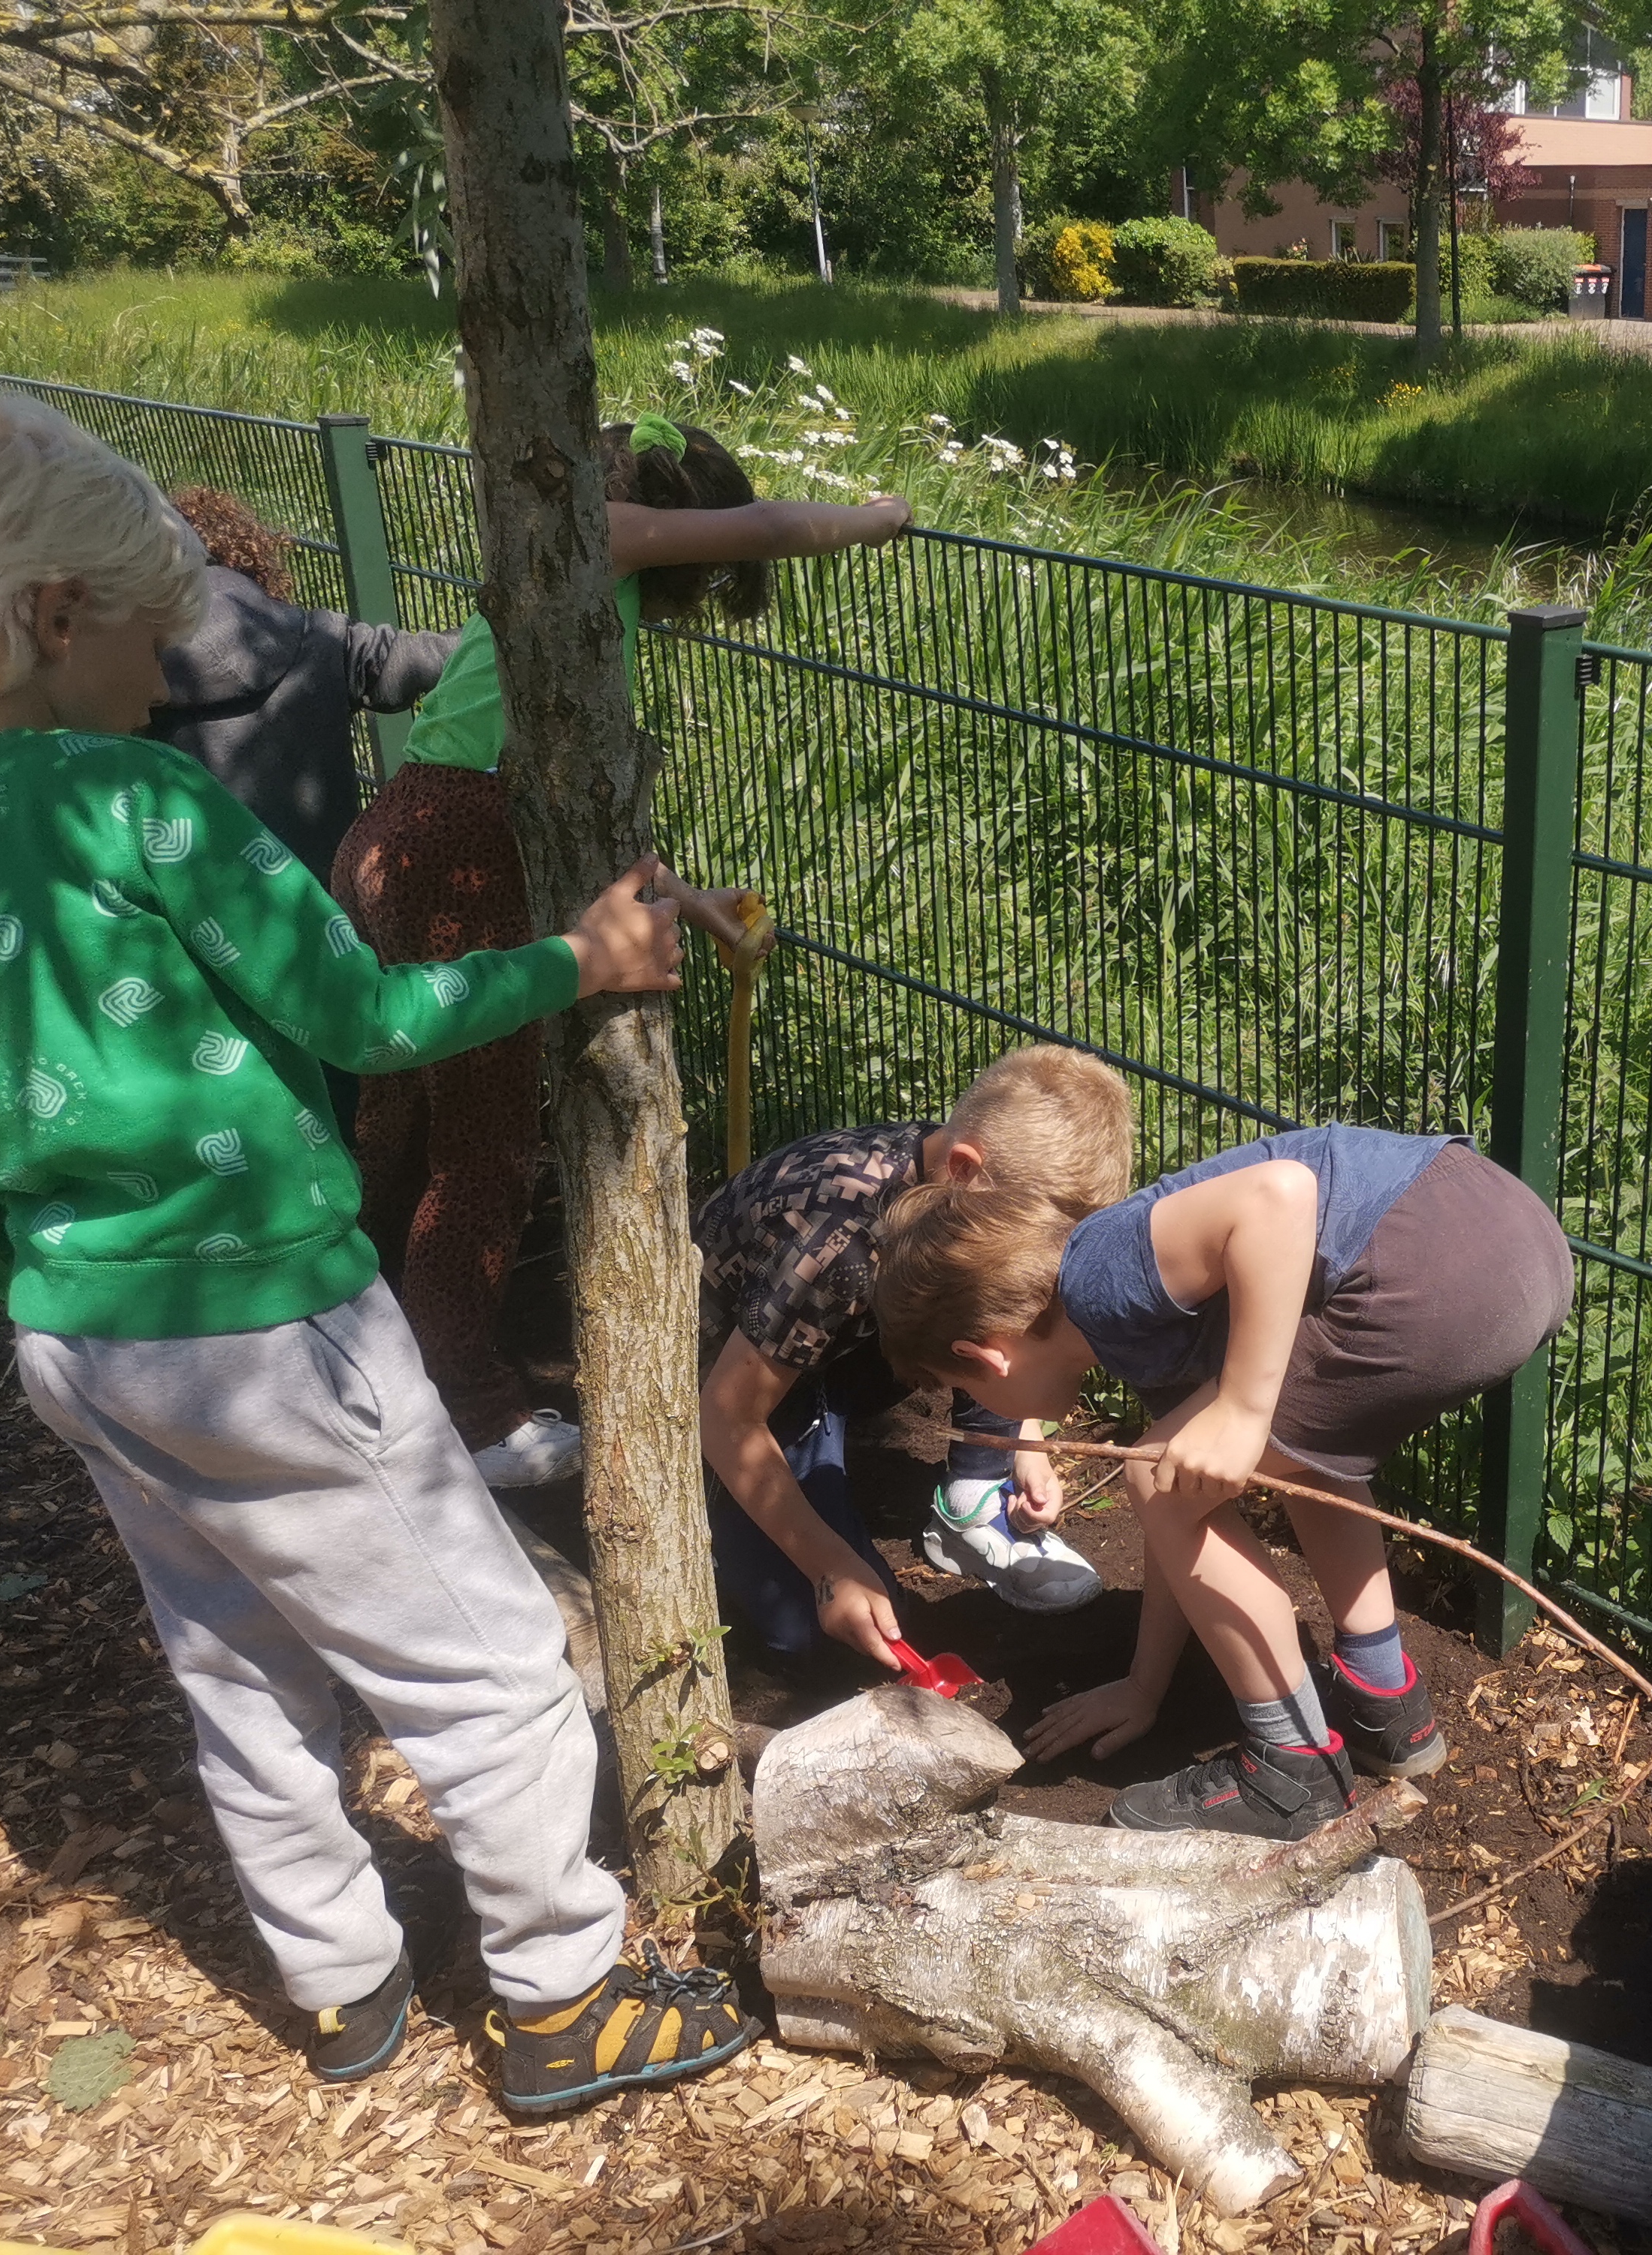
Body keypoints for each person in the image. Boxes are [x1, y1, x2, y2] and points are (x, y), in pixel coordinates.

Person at [0, 390, 755, 2112]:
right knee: (493, 1670)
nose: (179, 667)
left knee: (237, 1665)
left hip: (76, 1333)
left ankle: (341, 1985)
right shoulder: (134, 802)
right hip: (262, 1321)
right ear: (52, 618)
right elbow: (364, 1008)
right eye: (151, 631)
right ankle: (563, 1995)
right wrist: (582, 958)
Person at [331, 416, 909, 1490]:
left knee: (401, 1121)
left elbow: (564, 806)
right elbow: (773, 523)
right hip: (462, 856)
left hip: (403, 836)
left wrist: (686, 903)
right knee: (484, 1150)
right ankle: (470, 1414)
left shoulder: (571, 605)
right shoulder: (590, 540)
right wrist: (876, 522)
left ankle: (348, 1357)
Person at [873, 1121, 1573, 1839]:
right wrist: (1146, 1686)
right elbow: (1182, 1522)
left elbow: (1280, 1195)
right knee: (1249, 1461)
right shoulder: (1112, 1307)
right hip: (1505, 1244)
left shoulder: (1097, 1275)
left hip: (1432, 1271)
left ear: (986, 1358)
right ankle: (1382, 1698)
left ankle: (1291, 1769)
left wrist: (1244, 1405)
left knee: (1166, 1476)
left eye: (951, 1383)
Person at [695, 1045, 1125, 1666]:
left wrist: (1024, 1436)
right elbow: (727, 1415)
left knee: (1003, 1301)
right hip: (742, 1374)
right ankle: (713, 1506)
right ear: (964, 1168)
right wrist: (830, 1567)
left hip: (838, 1340)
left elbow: (1014, 1310)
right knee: (814, 1629)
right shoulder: (838, 1245)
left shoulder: (956, 1183)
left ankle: (974, 1494)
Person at [150, 486, 459, 884]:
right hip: (327, 909)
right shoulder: (320, 639)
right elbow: (422, 657)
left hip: (203, 916)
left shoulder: (123, 683)